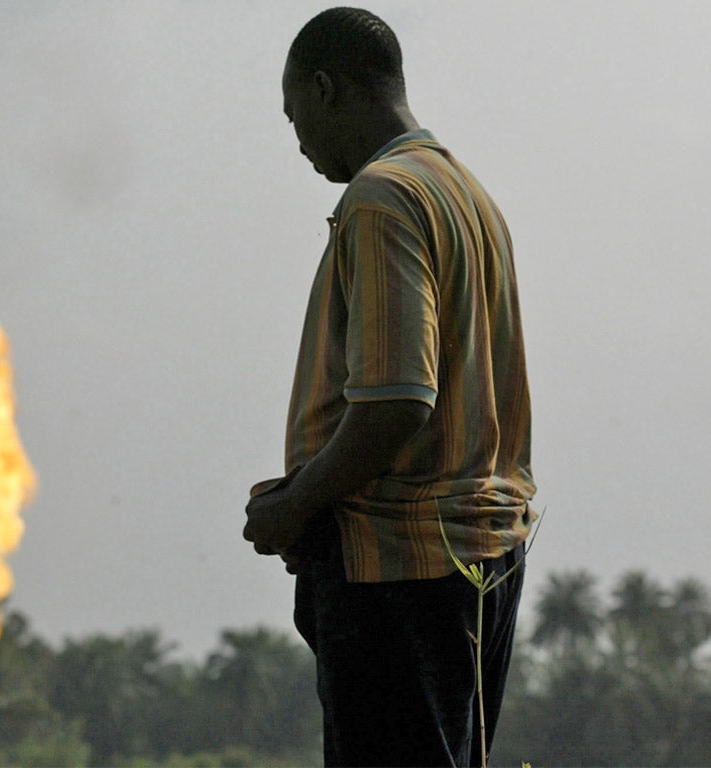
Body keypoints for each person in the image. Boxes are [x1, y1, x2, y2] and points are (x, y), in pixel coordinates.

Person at [244, 7, 537, 767]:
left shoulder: (382, 198)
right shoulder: (469, 198)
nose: (300, 141)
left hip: (399, 572)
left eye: (295, 114)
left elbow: (399, 401)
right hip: (480, 559)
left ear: (325, 87)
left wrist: (296, 503)